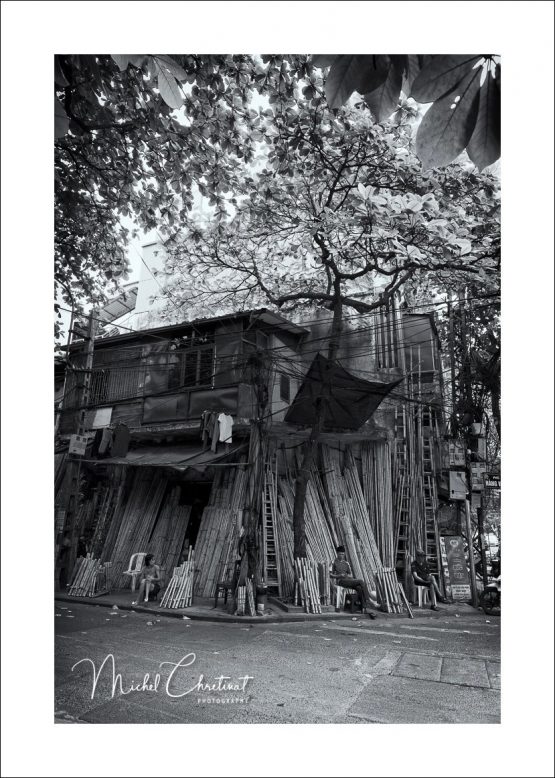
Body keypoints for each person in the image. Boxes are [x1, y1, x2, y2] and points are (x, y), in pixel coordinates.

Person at [331, 545, 378, 619]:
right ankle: (369, 600)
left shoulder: (346, 563)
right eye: (340, 554)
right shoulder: (333, 562)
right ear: (337, 554)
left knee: (359, 588)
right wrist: (339, 575)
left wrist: (349, 577)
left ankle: (363, 608)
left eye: (343, 554)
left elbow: (350, 574)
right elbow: (330, 574)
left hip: (348, 580)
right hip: (341, 581)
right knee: (361, 581)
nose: (341, 556)